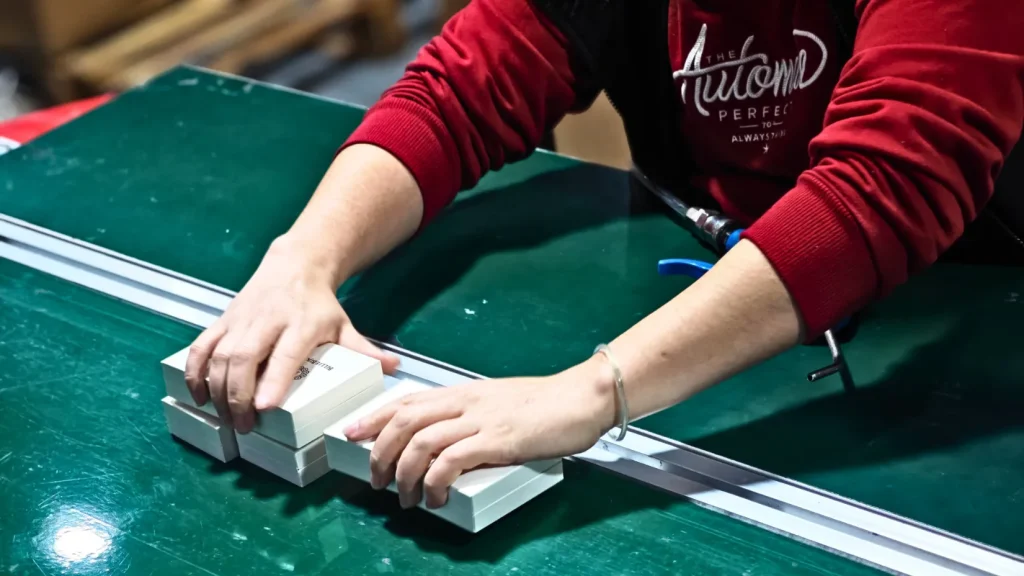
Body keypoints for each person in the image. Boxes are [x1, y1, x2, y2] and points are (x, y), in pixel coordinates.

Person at [185, 0, 1024, 509]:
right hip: (715, 268)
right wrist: (302, 261)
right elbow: (458, 95)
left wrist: (594, 391)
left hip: (971, 310)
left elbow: (889, 188)